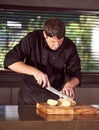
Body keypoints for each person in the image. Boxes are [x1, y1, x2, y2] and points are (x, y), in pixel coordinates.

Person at [4, 17, 81, 105]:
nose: (56, 45)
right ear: (45, 34)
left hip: (55, 96)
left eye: (60, 41)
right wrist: (35, 72)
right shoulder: (32, 39)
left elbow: (76, 74)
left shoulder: (69, 46)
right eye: (52, 41)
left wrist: (70, 84)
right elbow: (9, 61)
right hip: (29, 96)